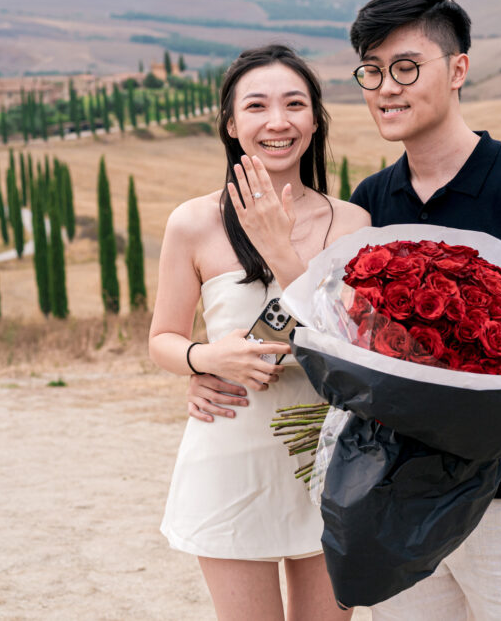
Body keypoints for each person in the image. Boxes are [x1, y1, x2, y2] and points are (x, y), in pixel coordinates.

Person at [344, 0, 501, 620]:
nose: (386, 88)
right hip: (398, 493)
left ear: (458, 70)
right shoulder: (370, 201)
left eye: (405, 67)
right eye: (371, 71)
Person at [148, 44, 369, 621]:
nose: (278, 121)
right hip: (231, 455)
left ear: (315, 120)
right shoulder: (193, 222)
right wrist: (205, 358)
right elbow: (163, 339)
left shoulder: (352, 223)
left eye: (295, 104)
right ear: (230, 124)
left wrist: (278, 245)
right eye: (257, 106)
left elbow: (351, 339)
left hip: (329, 456)